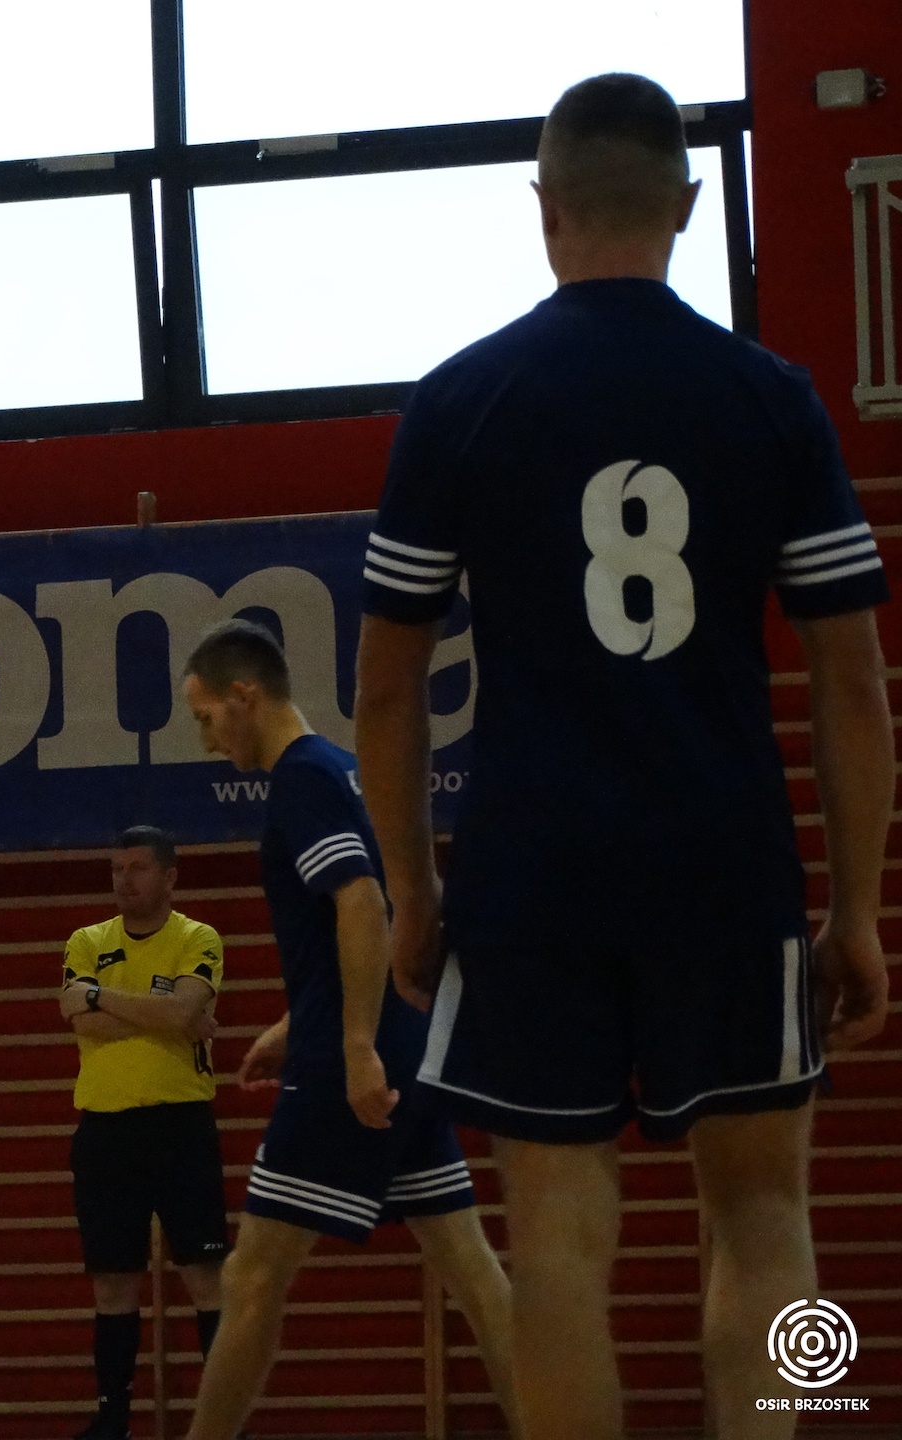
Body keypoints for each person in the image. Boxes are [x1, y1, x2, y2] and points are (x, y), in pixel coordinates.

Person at [353, 72, 893, 1440]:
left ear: (544, 209)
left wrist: (413, 891)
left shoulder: (462, 401)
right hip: (726, 860)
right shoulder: (770, 398)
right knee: (765, 1213)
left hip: (533, 874)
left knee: (557, 1245)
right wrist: (856, 908)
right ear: (690, 208)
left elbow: (387, 690)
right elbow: (850, 680)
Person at [178, 620, 518, 1440]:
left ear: (244, 697)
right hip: (406, 1044)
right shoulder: (340, 770)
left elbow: (363, 902)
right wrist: (296, 1022)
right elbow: (379, 912)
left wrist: (352, 1046)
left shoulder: (302, 780)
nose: (207, 740)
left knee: (252, 1274)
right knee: (475, 1275)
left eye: (205, 718)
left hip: (352, 1065)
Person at [59, 827, 228, 1440]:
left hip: (180, 1127)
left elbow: (182, 1010)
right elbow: (77, 1016)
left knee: (206, 1278)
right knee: (112, 1282)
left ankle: (222, 1424)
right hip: (106, 1131)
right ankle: (113, 1424)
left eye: (138, 868)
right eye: (117, 869)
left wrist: (102, 997)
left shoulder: (197, 937)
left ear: (169, 876)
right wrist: (168, 1018)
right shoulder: (87, 940)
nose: (124, 880)